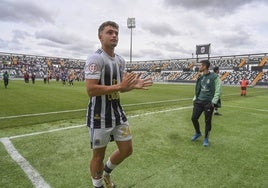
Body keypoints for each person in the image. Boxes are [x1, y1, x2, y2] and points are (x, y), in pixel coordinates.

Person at [84, 21, 153, 188]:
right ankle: (98, 185)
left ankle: (106, 173)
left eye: (116, 32)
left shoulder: (120, 61)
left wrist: (130, 87)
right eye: (109, 32)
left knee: (127, 150)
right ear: (100, 36)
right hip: (99, 115)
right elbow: (91, 89)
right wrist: (120, 86)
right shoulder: (96, 58)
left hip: (117, 113)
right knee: (98, 156)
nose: (114, 35)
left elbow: (120, 88)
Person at [191, 60, 221, 147]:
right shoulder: (200, 77)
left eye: (200, 65)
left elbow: (218, 90)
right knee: (193, 118)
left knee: (207, 122)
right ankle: (198, 133)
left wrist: (213, 102)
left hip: (208, 102)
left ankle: (206, 138)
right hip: (199, 101)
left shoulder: (214, 77)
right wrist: (195, 99)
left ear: (204, 66)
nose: (199, 67)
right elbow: (198, 89)